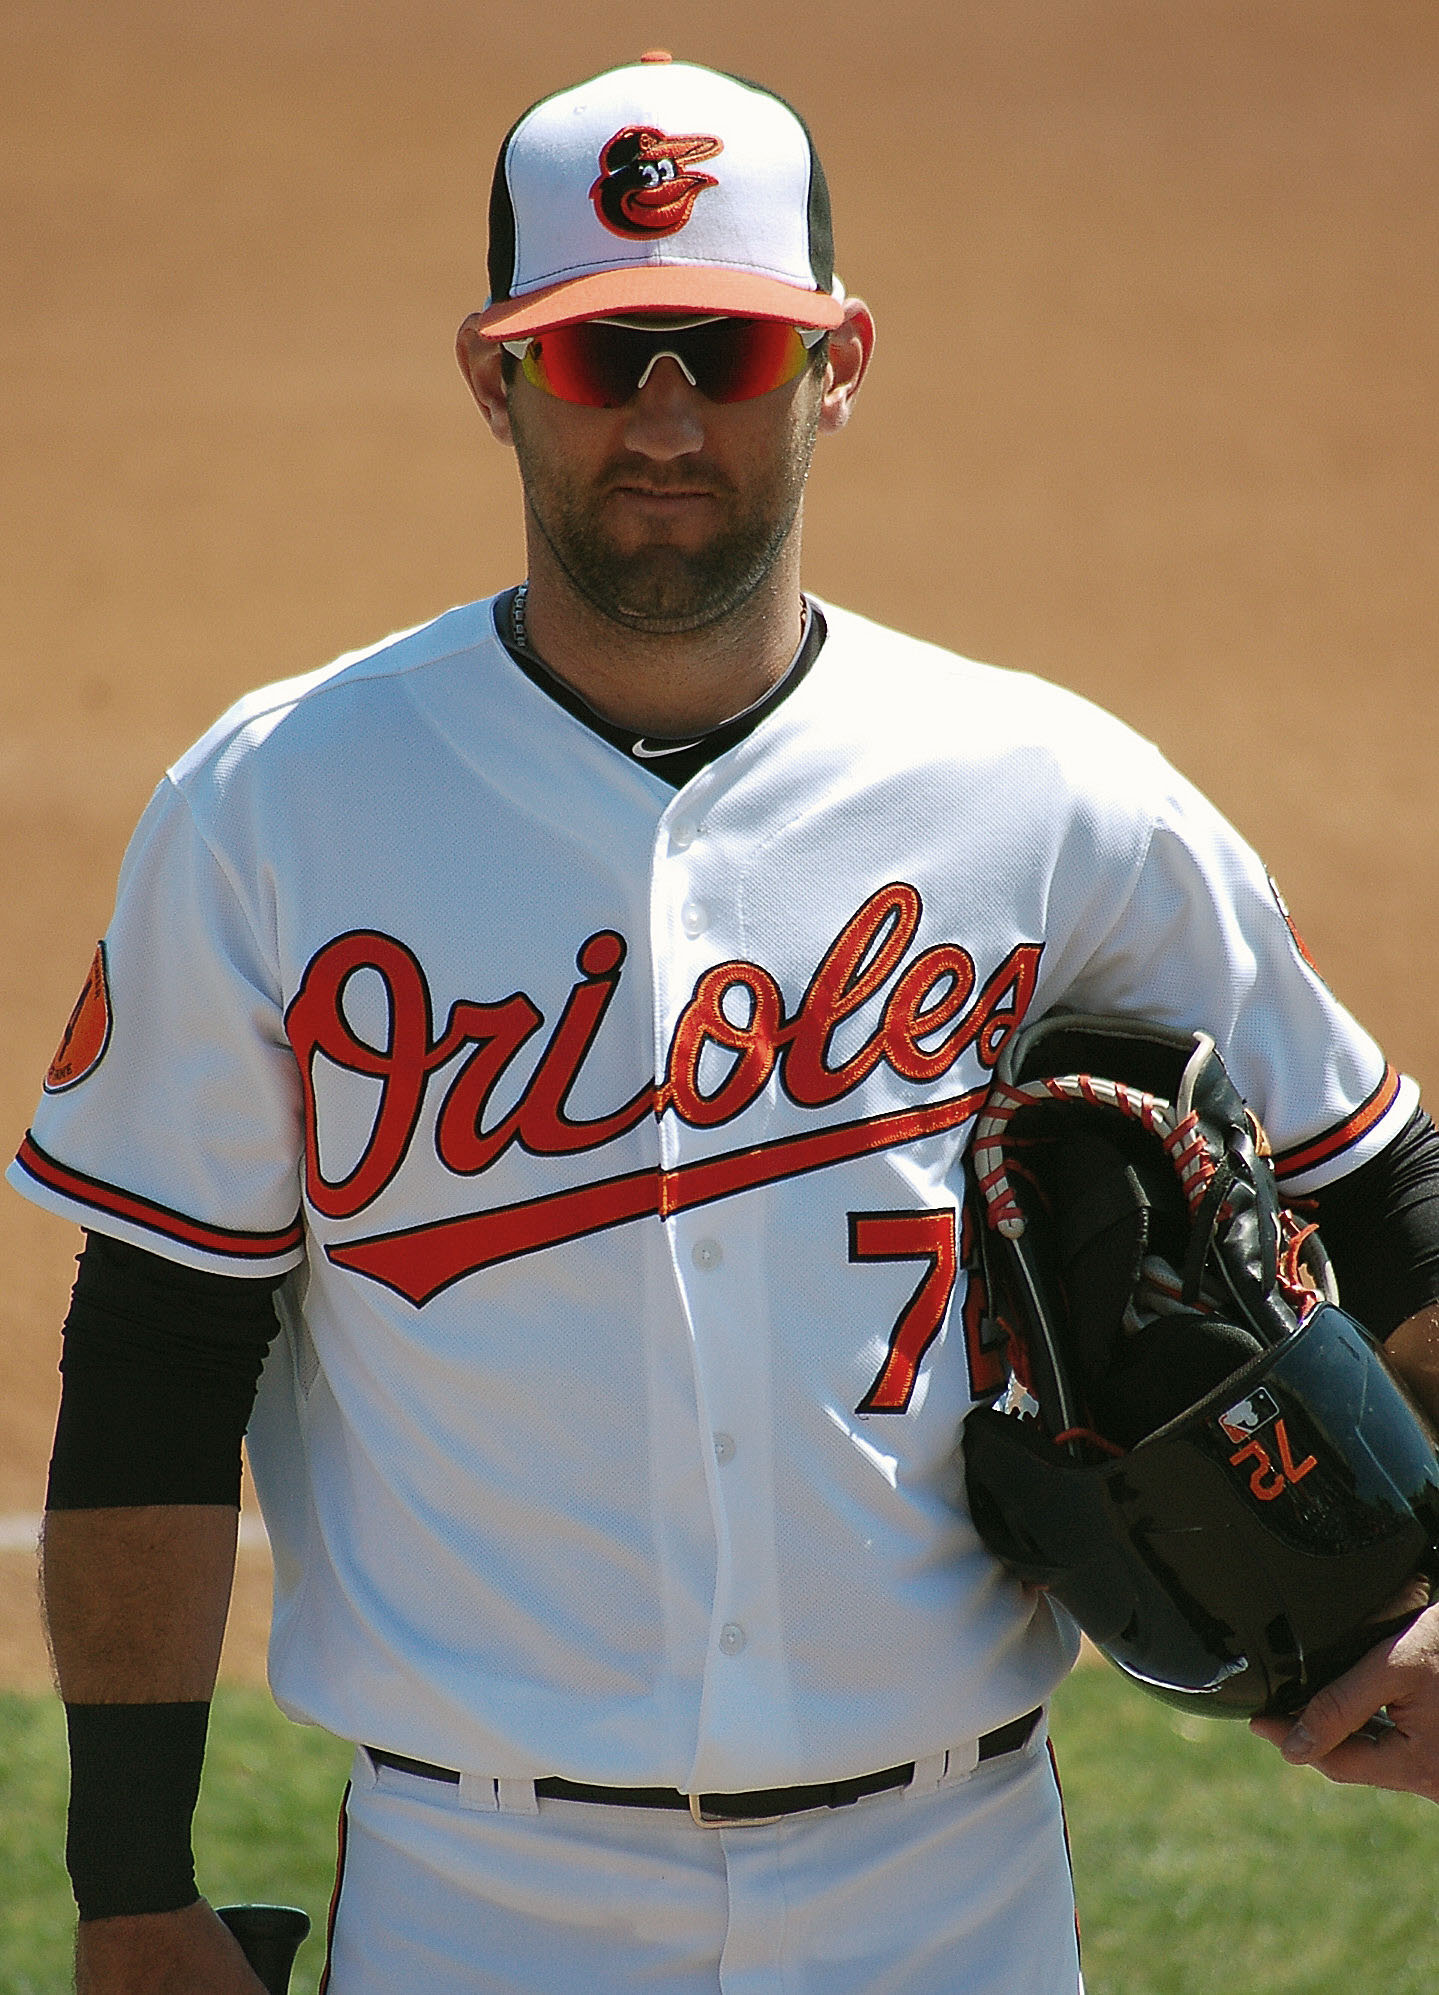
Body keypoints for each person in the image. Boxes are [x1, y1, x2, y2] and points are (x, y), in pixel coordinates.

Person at [10, 50, 1439, 1995]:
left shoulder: (1048, 797)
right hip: (474, 1898)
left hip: (949, 1891)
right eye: (606, 356)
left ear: (838, 364)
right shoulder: (275, 807)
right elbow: (158, 1349)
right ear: (496, 376)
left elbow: (1389, 1193)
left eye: (732, 351)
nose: (668, 417)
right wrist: (127, 1886)